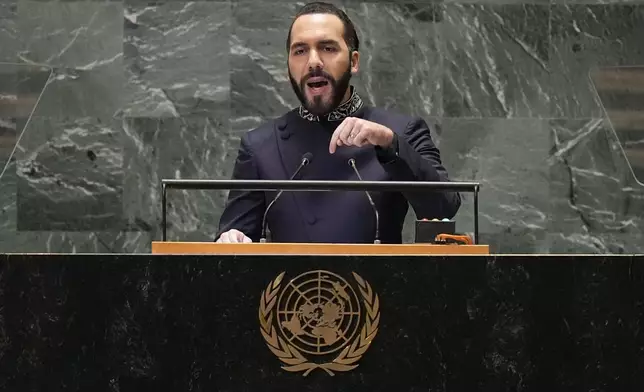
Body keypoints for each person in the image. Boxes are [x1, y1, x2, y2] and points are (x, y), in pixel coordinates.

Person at [216, 1, 460, 244]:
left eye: (328, 48)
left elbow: (444, 207)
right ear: (288, 66)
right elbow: (235, 235)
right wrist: (231, 238)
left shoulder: (400, 132)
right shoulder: (260, 145)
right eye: (300, 51)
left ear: (354, 62)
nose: (313, 62)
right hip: (289, 283)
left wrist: (390, 144)